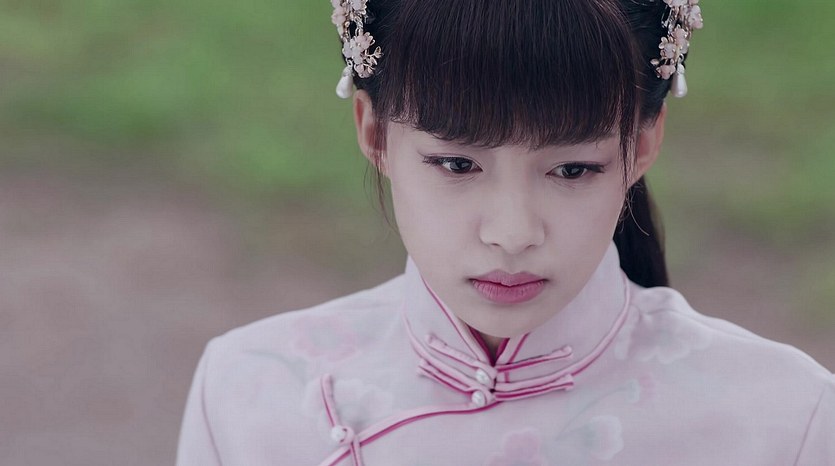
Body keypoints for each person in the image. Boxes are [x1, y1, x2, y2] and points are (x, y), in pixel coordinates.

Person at [177, 1, 835, 464]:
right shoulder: (250, 393)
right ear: (373, 133)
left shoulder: (782, 420)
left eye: (572, 169)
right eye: (457, 164)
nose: (512, 233)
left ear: (641, 144)